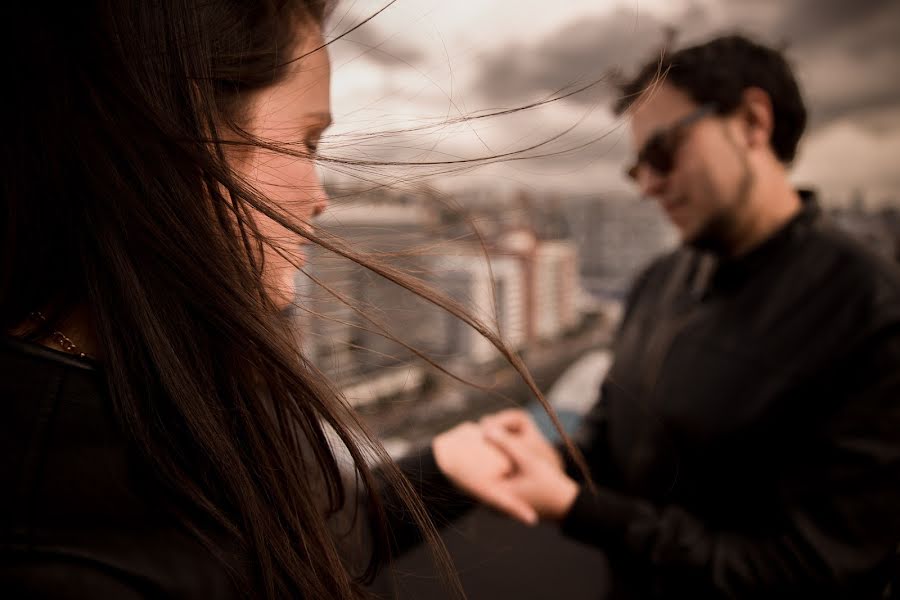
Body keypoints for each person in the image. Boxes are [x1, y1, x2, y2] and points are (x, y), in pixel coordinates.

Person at [1, 2, 528, 598]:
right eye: (306, 141)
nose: (320, 197)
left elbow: (286, 545)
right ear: (182, 141)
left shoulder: (165, 395)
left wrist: (442, 470)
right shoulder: (59, 555)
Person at [439, 34, 900, 598]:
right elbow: (616, 437)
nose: (650, 186)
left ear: (753, 122)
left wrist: (578, 509)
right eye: (638, 170)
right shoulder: (660, 281)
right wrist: (551, 458)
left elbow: (815, 569)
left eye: (662, 153)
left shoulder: (867, 308)